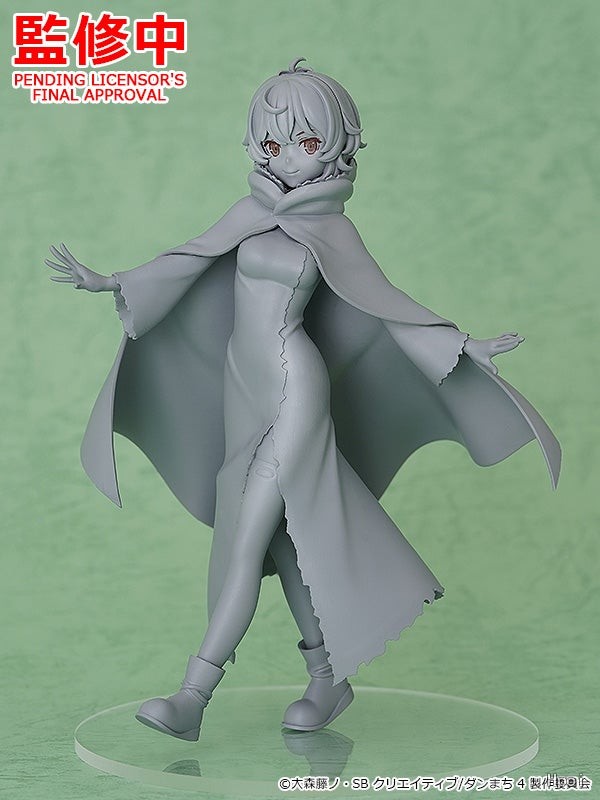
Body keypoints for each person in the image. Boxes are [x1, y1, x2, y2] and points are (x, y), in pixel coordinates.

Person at [47, 59, 560, 743]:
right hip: (243, 390)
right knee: (286, 541)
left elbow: (385, 303)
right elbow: (187, 259)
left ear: (339, 144)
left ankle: (192, 695)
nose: (287, 156)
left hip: (294, 387)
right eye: (273, 141)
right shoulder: (250, 211)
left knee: (243, 539)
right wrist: (111, 281)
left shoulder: (333, 230)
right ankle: (328, 680)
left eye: (307, 141)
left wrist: (462, 346)